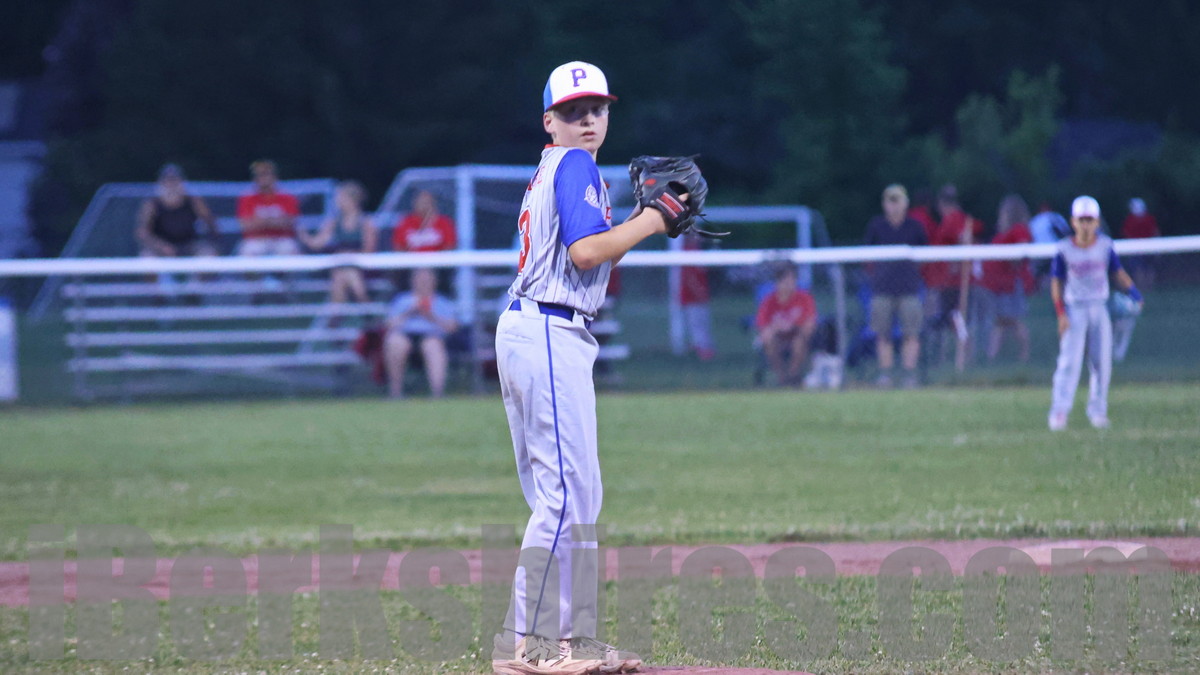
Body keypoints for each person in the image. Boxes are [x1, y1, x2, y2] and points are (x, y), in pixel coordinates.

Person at [492, 60, 667, 674]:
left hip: (543, 329)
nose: (587, 120)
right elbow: (588, 252)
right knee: (566, 495)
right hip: (545, 329)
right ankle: (529, 644)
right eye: (573, 111)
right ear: (550, 121)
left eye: (596, 109)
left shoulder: (560, 167)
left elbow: (589, 254)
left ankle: (565, 638)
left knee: (577, 492)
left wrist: (640, 222)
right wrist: (653, 219)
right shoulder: (573, 164)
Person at [1048, 196, 1143, 431]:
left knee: (1102, 362)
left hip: (1099, 307)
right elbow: (1056, 282)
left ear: (1097, 222)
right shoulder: (1064, 249)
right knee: (1069, 363)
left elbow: (1117, 272)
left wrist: (1134, 292)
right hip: (1075, 308)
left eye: (1089, 220)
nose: (1085, 225)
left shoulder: (1105, 246)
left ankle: (1098, 410)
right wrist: (1061, 313)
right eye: (1081, 220)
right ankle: (1060, 411)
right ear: (1073, 222)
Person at [863, 184, 927, 389]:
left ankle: (909, 375)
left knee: (911, 333)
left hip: (909, 289)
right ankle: (886, 375)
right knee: (883, 334)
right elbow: (866, 256)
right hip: (882, 289)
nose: (894, 205)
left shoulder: (915, 226)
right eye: (890, 201)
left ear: (905, 203)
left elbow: (925, 255)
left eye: (897, 200)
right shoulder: (876, 225)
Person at [926, 184, 983, 371]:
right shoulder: (951, 220)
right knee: (949, 320)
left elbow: (964, 239)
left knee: (957, 319)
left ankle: (965, 359)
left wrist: (955, 264)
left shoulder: (954, 219)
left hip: (955, 284)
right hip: (947, 282)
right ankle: (947, 359)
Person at [297, 180, 378, 304]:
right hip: (341, 265)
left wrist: (350, 256)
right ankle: (365, 306)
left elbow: (369, 249)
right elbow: (317, 243)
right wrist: (303, 234)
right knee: (343, 273)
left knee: (345, 273)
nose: (337, 200)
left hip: (362, 266)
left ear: (352, 200)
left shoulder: (366, 222)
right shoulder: (334, 222)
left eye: (340, 197)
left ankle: (339, 311)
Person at [382, 267, 458, 398]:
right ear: (412, 281)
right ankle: (395, 392)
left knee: (432, 345)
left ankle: (437, 393)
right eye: (420, 278)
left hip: (432, 336)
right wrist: (408, 312)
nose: (423, 282)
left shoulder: (442, 302)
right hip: (405, 335)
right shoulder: (402, 300)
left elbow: (453, 327)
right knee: (395, 342)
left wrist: (431, 316)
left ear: (434, 281)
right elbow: (388, 325)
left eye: (427, 279)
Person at [978, 194, 1036, 362]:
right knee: (1001, 322)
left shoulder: (1019, 230)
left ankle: (1024, 355)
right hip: (1000, 285)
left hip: (1010, 285)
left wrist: (1011, 265)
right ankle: (993, 358)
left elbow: (1021, 251)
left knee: (1012, 320)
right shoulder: (1007, 232)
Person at [135, 163, 219, 258]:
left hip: (189, 244)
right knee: (147, 258)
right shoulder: (152, 204)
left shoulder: (193, 201)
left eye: (174, 181)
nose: (171, 186)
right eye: (168, 181)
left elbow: (210, 221)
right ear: (161, 183)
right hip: (161, 246)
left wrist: (211, 241)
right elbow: (142, 232)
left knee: (208, 254)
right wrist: (161, 246)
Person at [755, 264, 818, 386]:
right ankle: (781, 377)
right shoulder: (769, 302)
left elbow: (809, 324)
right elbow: (762, 327)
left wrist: (792, 327)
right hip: (778, 337)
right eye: (786, 281)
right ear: (778, 283)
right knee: (769, 340)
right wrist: (777, 327)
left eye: (792, 281)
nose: (790, 285)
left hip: (798, 335)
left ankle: (793, 375)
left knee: (798, 342)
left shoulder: (804, 298)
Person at [235, 159, 302, 257]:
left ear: (274, 176)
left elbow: (291, 222)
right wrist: (275, 221)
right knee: (247, 252)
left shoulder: (287, 197)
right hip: (256, 240)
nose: (262, 178)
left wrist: (261, 221)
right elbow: (245, 225)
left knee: (291, 251)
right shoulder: (247, 198)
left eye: (266, 174)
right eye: (259, 175)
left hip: (281, 240)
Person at [679, 232, 716, 361]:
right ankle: (702, 350)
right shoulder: (688, 252)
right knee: (696, 323)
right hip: (692, 297)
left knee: (702, 322)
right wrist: (698, 291)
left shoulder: (698, 251)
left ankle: (704, 347)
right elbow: (689, 276)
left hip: (700, 295)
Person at [391, 189, 457, 252]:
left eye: (427, 201)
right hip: (412, 259)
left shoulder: (444, 222)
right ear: (415, 203)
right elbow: (399, 246)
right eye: (421, 201)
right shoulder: (405, 222)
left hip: (437, 259)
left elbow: (450, 245)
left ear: (433, 203)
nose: (424, 205)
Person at [1120, 197, 1160, 290]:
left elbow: (1154, 232)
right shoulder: (1133, 219)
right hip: (1137, 248)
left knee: (1145, 268)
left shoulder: (1143, 218)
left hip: (1145, 247)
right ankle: (1144, 287)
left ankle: (1145, 287)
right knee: (1141, 268)